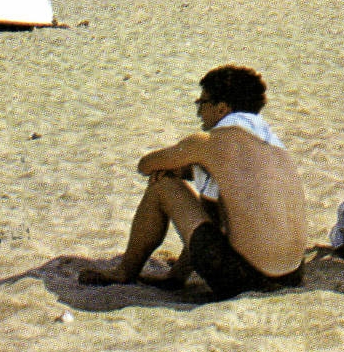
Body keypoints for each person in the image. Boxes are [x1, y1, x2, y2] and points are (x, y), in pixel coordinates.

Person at [81, 64, 307, 300]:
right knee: (219, 204)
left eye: (202, 103)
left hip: (244, 278)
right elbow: (217, 212)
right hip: (292, 275)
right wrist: (193, 169)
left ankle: (125, 271)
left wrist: (179, 168)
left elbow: (146, 165)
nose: (199, 112)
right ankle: (176, 276)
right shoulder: (272, 144)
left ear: (221, 108)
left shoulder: (209, 142)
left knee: (163, 185)